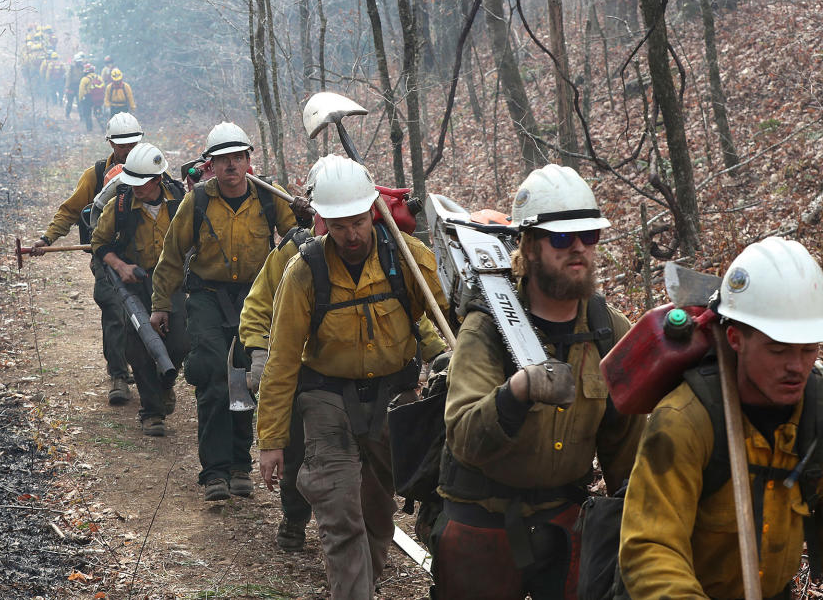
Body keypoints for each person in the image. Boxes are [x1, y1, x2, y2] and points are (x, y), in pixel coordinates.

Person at [432, 163, 644, 599]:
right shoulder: (486, 329)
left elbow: (629, 444)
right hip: (483, 522)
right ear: (529, 246)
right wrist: (517, 393)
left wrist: (637, 518)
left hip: (564, 523)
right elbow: (465, 437)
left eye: (590, 237)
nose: (579, 249)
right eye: (563, 239)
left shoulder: (608, 329)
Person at [256, 155, 449, 599]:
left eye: (359, 221)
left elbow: (448, 322)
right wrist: (271, 440)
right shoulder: (304, 271)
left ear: (374, 212)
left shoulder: (409, 258)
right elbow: (283, 360)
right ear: (323, 221)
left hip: (393, 397)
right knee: (339, 512)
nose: (352, 234)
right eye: (340, 225)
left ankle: (365, 580)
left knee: (379, 513)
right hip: (326, 399)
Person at [619, 236, 823, 599]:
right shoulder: (683, 421)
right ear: (735, 338)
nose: (796, 367)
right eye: (777, 350)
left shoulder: (817, 408)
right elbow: (650, 549)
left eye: (809, 349)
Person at [150, 121, 296, 501]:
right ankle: (214, 471)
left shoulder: (269, 196)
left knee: (244, 377)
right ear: (210, 165)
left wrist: (310, 215)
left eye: (238, 157)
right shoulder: (196, 202)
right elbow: (171, 255)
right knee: (213, 375)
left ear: (249, 160)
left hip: (256, 297)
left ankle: (238, 465)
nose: (231, 165)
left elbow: (300, 239)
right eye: (223, 159)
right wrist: (161, 305)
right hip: (207, 297)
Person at [31, 113, 144, 406]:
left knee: (147, 313)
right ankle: (119, 375)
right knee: (113, 309)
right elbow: (70, 211)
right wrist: (47, 239)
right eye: (122, 146)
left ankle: (149, 374)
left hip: (146, 256)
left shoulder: (151, 169)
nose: (128, 151)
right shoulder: (94, 176)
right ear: (110, 144)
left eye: (133, 144)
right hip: (105, 255)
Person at [91, 143, 186, 436]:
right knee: (138, 347)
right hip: (137, 283)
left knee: (181, 341)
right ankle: (152, 412)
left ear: (157, 180)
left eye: (141, 183)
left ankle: (166, 383)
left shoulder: (183, 201)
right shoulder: (119, 206)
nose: (134, 189)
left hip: (174, 284)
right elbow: (99, 244)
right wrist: (120, 267)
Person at [78, 63, 105, 132]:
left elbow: (81, 91)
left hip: (87, 98)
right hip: (97, 98)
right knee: (98, 113)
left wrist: (80, 99)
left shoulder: (84, 79)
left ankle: (89, 129)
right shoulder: (99, 77)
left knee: (87, 114)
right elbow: (103, 87)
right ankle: (103, 127)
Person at [64, 52, 85, 119]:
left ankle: (82, 116)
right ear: (75, 62)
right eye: (77, 62)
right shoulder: (72, 68)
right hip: (71, 87)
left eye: (80, 62)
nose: (79, 63)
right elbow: (68, 78)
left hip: (79, 87)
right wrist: (67, 87)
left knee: (80, 102)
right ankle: (67, 114)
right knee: (70, 102)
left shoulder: (82, 67)